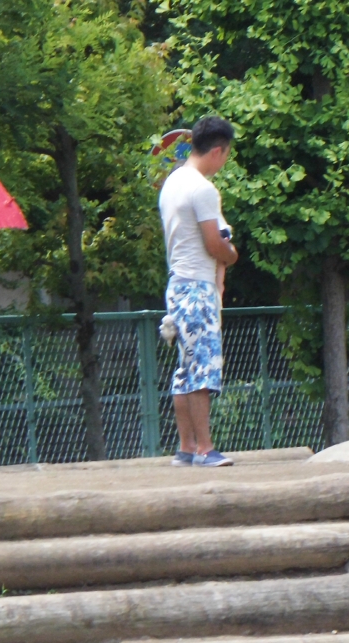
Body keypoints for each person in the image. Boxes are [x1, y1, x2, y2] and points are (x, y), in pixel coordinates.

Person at [158, 116, 238, 467]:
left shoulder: (172, 183)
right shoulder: (203, 189)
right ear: (218, 151)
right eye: (226, 154)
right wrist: (232, 255)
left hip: (177, 285)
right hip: (198, 287)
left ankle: (187, 448)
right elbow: (213, 244)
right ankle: (205, 449)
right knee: (203, 369)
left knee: (185, 369)